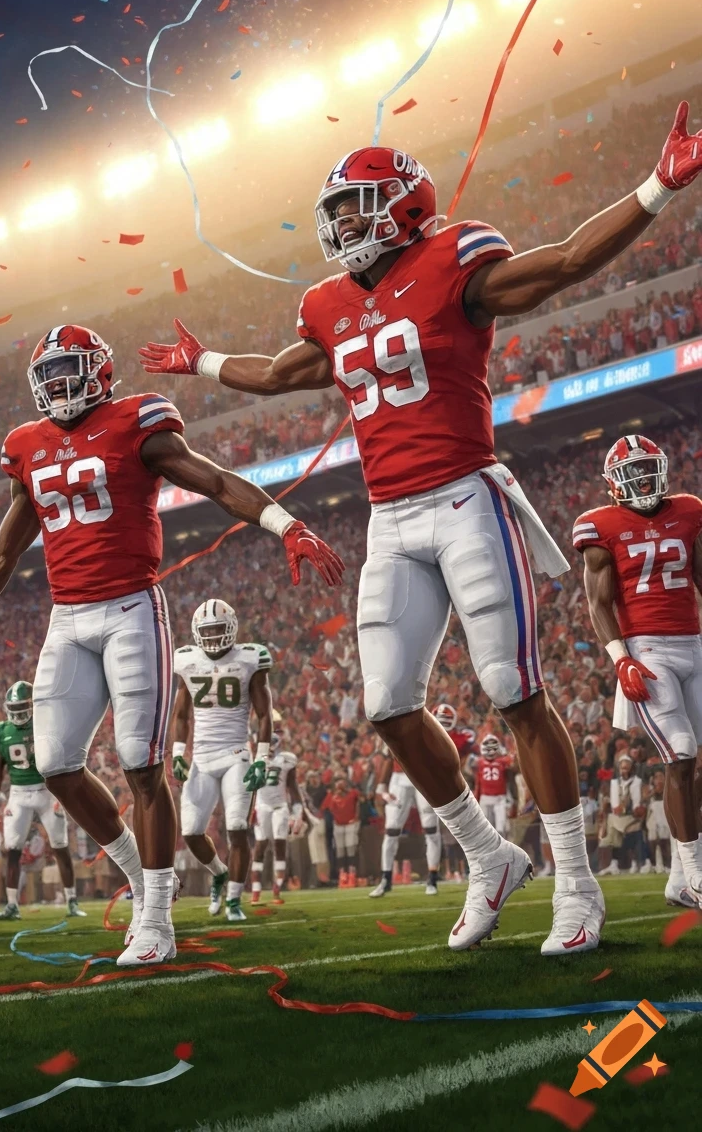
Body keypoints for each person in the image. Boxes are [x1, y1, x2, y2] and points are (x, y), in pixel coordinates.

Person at [140, 105, 702, 954]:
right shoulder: (329, 301)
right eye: (334, 213)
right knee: (386, 706)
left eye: (353, 208)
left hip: (468, 497)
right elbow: (282, 373)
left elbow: (567, 263)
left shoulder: (454, 257)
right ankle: (489, 855)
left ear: (404, 205)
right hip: (391, 520)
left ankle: (577, 885)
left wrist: (659, 185)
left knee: (515, 693)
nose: (340, 228)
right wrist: (205, 362)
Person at [0, 327, 342, 966]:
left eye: (69, 370)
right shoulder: (28, 446)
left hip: (131, 610)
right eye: (48, 373)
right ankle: (142, 877)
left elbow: (217, 482)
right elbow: (5, 550)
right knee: (56, 763)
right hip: (67, 618)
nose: (57, 385)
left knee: (142, 764)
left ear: (99, 372)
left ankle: (159, 917)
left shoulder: (134, 421)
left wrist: (285, 523)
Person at [574, 434, 702, 907]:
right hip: (647, 651)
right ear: (613, 483)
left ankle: (677, 877)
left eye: (648, 468)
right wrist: (619, 656)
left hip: (694, 642)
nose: (643, 478)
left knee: (696, 767)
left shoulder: (689, 510)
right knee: (682, 754)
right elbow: (598, 601)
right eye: (632, 472)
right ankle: (696, 874)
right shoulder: (599, 526)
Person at [172, 600, 273, 921]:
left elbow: (264, 715)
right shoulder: (187, 661)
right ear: (196, 633)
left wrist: (262, 758)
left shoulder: (249, 659)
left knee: (237, 827)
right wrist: (177, 753)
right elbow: (181, 713)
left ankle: (233, 900)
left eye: (218, 630)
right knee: (190, 832)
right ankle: (218, 872)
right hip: (201, 757)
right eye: (207, 631)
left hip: (235, 754)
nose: (213, 637)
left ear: (231, 628)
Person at [0, 681, 85, 921]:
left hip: (47, 790)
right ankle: (11, 905)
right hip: (18, 793)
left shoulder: (46, 724)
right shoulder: (1, 732)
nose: (18, 713)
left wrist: (66, 793)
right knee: (13, 850)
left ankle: (71, 900)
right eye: (14, 708)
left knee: (60, 846)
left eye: (23, 707)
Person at [371, 745, 442, 897]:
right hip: (399, 779)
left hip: (423, 776)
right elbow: (389, 758)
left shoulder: (425, 726)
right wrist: (381, 787)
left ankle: (432, 878)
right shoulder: (393, 725)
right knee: (391, 831)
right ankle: (386, 879)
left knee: (430, 829)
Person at [252, 719, 304, 902]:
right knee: (260, 845)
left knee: (280, 845)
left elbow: (293, 787)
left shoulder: (286, 760)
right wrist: (249, 809)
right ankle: (256, 890)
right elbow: (248, 787)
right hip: (262, 805)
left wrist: (298, 813)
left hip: (280, 806)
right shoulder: (255, 759)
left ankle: (277, 888)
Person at [474, 735, 516, 839]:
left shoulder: (502, 761)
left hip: (499, 799)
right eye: (488, 747)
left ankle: (502, 851)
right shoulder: (480, 762)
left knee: (500, 830)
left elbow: (513, 760)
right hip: (486, 799)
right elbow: (478, 783)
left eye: (493, 747)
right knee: (486, 830)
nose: (490, 750)